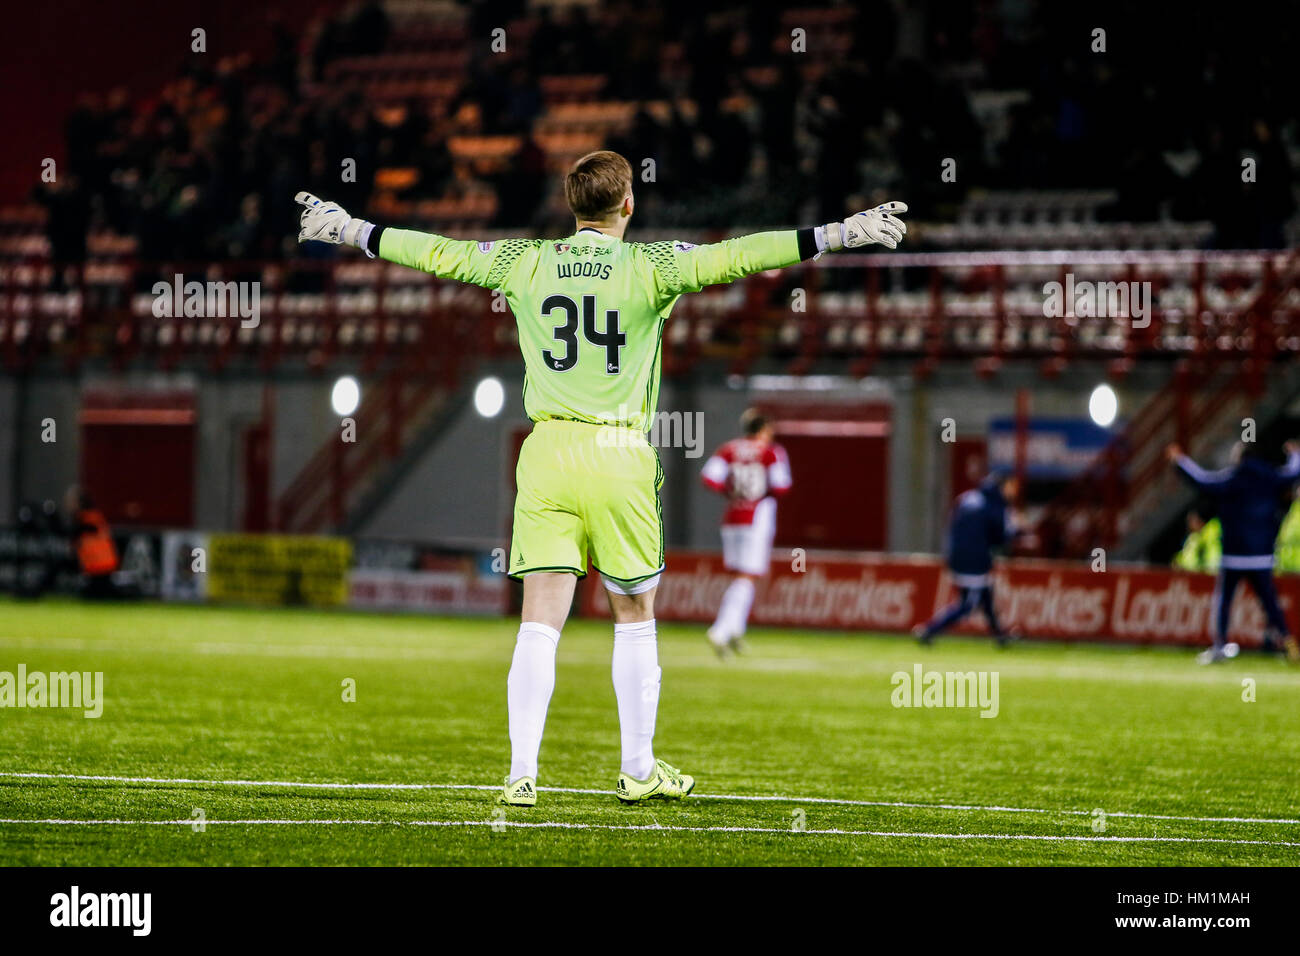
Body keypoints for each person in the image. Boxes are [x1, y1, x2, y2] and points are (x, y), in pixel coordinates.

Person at [295, 150, 909, 806]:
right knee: (634, 614)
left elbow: (439, 253)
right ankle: (638, 768)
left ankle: (522, 773)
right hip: (618, 454)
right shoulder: (653, 265)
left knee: (540, 619)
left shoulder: (524, 262)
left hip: (548, 450)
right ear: (628, 205)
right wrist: (839, 234)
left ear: (572, 205)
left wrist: (350, 229)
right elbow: (741, 255)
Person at [1167, 441, 1300, 663]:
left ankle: (1220, 647)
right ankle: (1288, 644)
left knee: (1224, 602)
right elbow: (1293, 473)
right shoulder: (1270, 478)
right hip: (1261, 556)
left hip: (1234, 555)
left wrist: (1180, 462)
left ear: (1241, 458)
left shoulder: (1232, 478)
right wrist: (1296, 455)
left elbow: (1202, 481)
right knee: (1270, 604)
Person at [699, 409, 792, 656]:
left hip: (732, 516)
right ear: (763, 430)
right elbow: (781, 486)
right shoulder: (771, 452)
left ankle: (735, 631)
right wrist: (759, 496)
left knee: (740, 576)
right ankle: (720, 630)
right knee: (746, 577)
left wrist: (730, 492)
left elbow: (709, 478)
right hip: (757, 518)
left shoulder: (729, 449)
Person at [915, 472, 1020, 647]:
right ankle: (929, 630)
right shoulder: (996, 506)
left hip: (956, 555)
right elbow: (1000, 538)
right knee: (968, 605)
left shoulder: (967, 498)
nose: (1013, 491)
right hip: (975, 561)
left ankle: (1000, 636)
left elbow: (953, 526)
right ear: (1003, 486)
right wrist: (1017, 530)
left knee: (986, 597)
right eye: (1011, 486)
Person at [65, 487, 120, 599]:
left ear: (79, 502)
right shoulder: (93, 517)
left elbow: (73, 536)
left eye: (70, 501)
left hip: (99, 569)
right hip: (101, 568)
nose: (68, 505)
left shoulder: (85, 519)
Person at [1172, 509, 1221, 573]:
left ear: (1199, 520)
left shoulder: (1213, 530)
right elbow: (1187, 557)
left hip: (1214, 571)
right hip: (1196, 574)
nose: (1189, 525)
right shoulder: (1193, 538)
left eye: (1191, 521)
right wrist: (1178, 560)